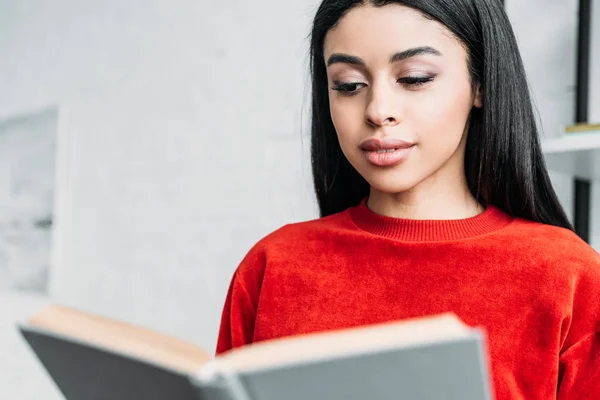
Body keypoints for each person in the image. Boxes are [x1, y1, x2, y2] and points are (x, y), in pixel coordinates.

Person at [215, 0, 600, 398]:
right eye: (349, 85)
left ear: (481, 83)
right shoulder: (272, 267)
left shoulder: (569, 277)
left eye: (414, 78)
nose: (379, 111)